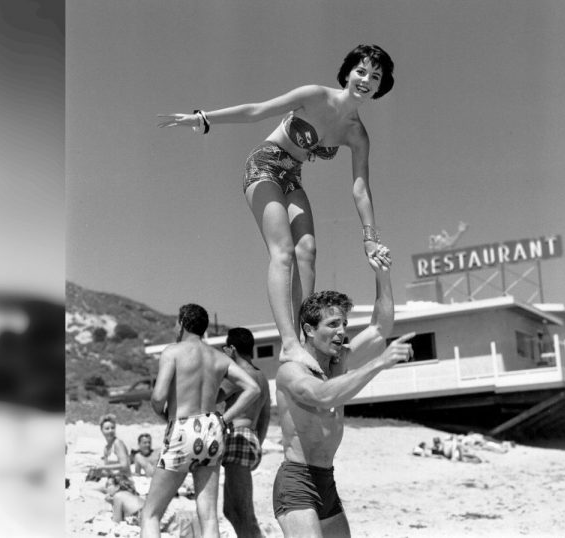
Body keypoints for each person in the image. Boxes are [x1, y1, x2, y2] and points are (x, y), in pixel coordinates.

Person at [157, 44, 395, 374]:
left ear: (381, 86)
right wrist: (204, 118)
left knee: (308, 251)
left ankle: (302, 336)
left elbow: (360, 188)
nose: (367, 79)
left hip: (292, 176)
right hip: (265, 164)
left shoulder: (357, 134)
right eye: (362, 70)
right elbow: (257, 110)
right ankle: (290, 343)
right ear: (348, 72)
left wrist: (369, 238)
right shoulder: (314, 95)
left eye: (376, 76)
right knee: (282, 251)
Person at [273, 258, 414, 537]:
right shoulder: (292, 371)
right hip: (297, 481)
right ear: (309, 330)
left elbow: (379, 329)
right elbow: (322, 396)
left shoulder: (340, 361)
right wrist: (377, 364)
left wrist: (383, 276)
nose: (342, 331)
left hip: (326, 479)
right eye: (333, 324)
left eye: (344, 324)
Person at [140, 304, 261, 538]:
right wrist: (224, 419)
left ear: (183, 323)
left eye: (177, 322)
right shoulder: (218, 357)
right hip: (212, 428)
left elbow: (158, 396)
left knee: (151, 513)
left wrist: (164, 416)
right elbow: (252, 388)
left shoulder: (173, 352)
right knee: (208, 517)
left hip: (183, 426)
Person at [218, 327, 272, 538]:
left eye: (226, 349)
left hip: (238, 438)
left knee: (242, 511)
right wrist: (258, 443)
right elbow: (266, 416)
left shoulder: (237, 376)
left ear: (232, 349)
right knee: (230, 510)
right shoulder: (261, 377)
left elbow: (213, 399)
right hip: (251, 438)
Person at [84, 414, 131, 494]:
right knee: (87, 486)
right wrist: (97, 471)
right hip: (112, 480)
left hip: (123, 480)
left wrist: (102, 467)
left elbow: (124, 465)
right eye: (107, 428)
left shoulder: (118, 444)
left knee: (89, 490)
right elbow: (108, 470)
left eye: (112, 428)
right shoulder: (106, 448)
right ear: (102, 430)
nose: (110, 431)